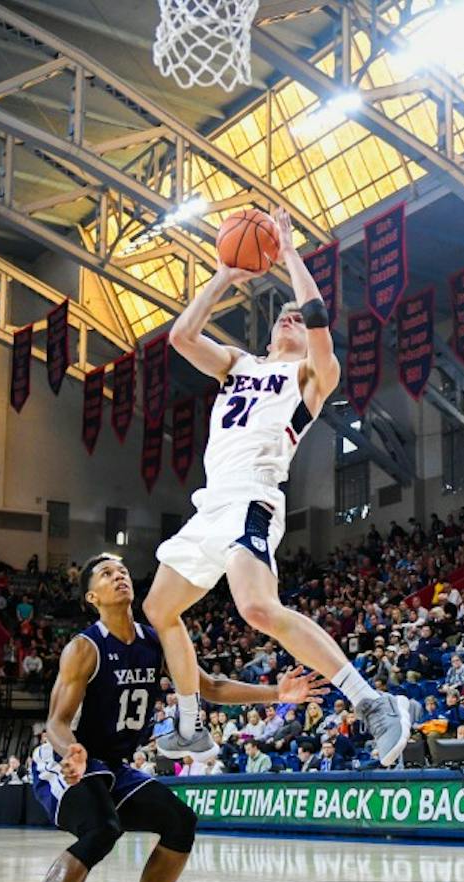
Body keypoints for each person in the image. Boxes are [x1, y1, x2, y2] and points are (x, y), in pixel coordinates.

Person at [0, 554, 327, 882]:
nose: (119, 575)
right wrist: (73, 752)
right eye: (106, 573)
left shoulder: (157, 639)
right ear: (93, 597)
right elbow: (56, 721)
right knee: (102, 830)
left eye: (122, 570)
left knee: (180, 822)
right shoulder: (84, 648)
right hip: (66, 759)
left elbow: (210, 687)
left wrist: (277, 692)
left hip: (115, 766)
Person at [141, 207, 411, 766]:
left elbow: (315, 315)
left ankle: (371, 702)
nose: (291, 319)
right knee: (159, 609)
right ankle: (191, 727)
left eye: (298, 320)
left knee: (258, 610)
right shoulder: (238, 364)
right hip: (211, 503)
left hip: (252, 495)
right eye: (282, 318)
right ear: (267, 331)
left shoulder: (312, 376)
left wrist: (287, 254)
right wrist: (224, 272)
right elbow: (182, 336)